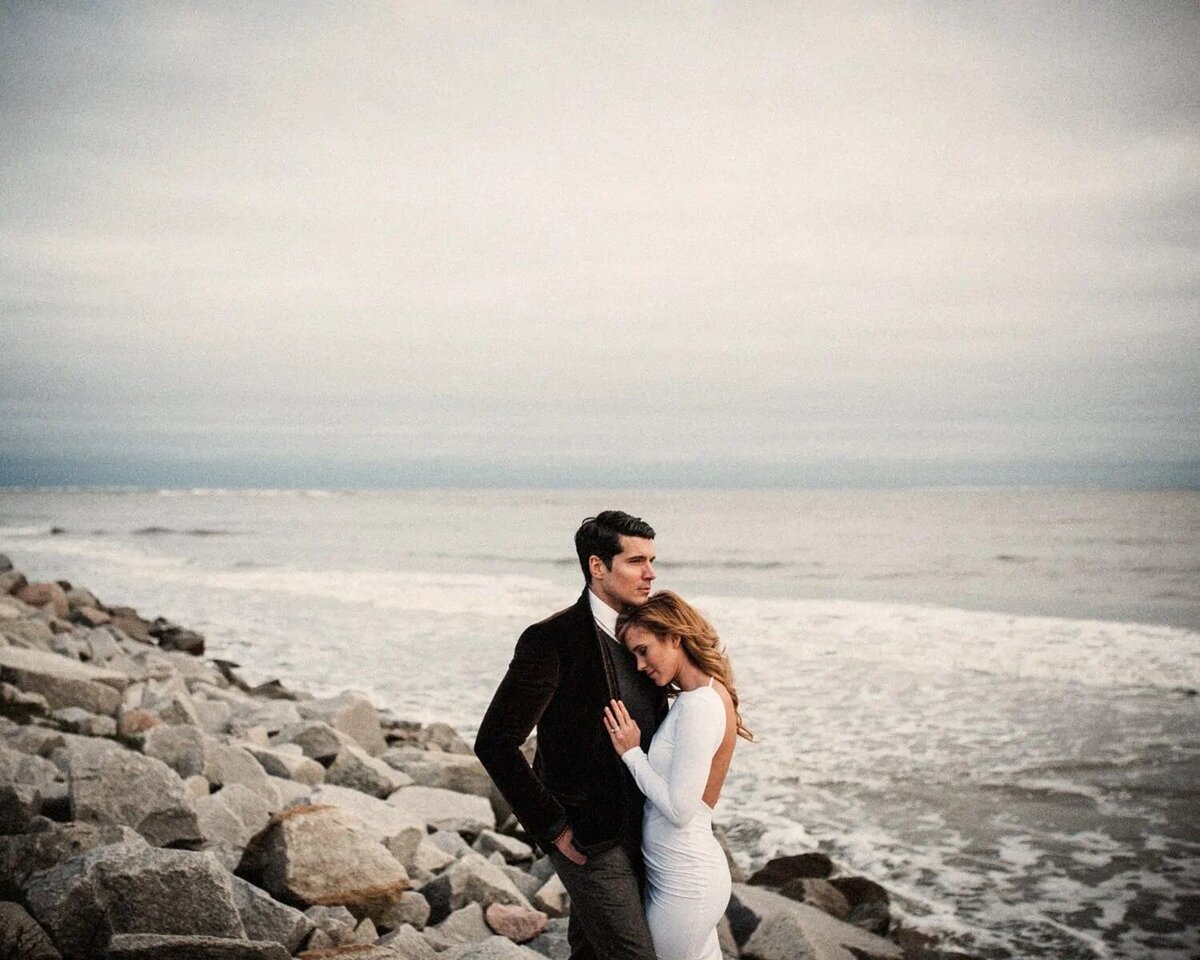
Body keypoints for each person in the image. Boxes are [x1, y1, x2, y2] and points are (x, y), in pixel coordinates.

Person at [475, 511, 666, 960]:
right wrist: (554, 828)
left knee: (591, 951)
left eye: (652, 560)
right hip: (589, 838)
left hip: (647, 829)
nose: (650, 572)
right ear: (598, 566)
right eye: (636, 561)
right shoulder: (552, 639)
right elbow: (496, 742)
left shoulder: (648, 630)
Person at [604, 590, 752, 960]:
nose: (640, 665)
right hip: (682, 876)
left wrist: (632, 753)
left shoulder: (699, 706)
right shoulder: (701, 695)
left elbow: (681, 808)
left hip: (686, 884)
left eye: (643, 650)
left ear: (674, 636)